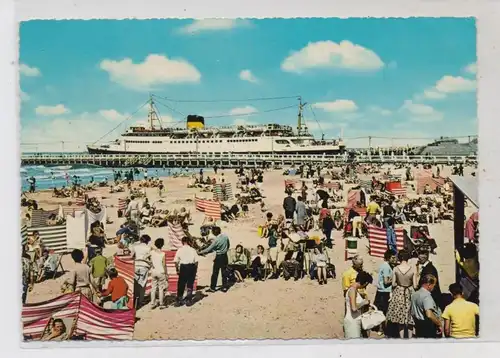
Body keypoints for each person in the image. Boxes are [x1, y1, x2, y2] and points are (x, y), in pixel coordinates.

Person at [385, 249, 419, 338]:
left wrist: (399, 284)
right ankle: (410, 339)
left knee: (400, 317)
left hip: (399, 292)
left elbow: (393, 284)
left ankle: (401, 339)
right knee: (410, 317)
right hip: (409, 292)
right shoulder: (413, 269)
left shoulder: (396, 268)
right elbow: (415, 285)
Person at [199, 226, 230, 293]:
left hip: (219, 257)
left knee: (215, 273)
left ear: (214, 233)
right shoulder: (225, 237)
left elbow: (208, 249)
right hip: (225, 256)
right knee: (224, 272)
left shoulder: (216, 240)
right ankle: (224, 287)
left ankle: (213, 288)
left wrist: (200, 252)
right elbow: (228, 245)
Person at [374, 250, 397, 336]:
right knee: (385, 311)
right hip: (385, 292)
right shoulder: (387, 267)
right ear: (388, 258)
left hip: (381, 291)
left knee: (381, 310)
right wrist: (395, 278)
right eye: (393, 258)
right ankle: (383, 329)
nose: (395, 259)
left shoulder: (384, 265)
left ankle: (381, 328)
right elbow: (386, 281)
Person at [411, 274, 442, 338]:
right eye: (434, 285)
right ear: (429, 285)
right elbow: (429, 314)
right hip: (428, 327)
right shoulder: (427, 296)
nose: (434, 287)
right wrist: (439, 324)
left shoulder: (414, 294)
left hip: (418, 326)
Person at [344, 271, 373, 339]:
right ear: (365, 283)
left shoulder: (354, 289)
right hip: (352, 323)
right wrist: (364, 303)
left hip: (354, 321)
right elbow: (354, 308)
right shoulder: (353, 290)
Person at [174, 237, 199, 306]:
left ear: (182, 242)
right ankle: (188, 300)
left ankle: (179, 300)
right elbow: (196, 261)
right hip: (191, 267)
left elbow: (176, 261)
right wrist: (195, 269)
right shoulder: (193, 250)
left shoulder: (180, 250)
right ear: (189, 242)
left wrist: (177, 269)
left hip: (183, 267)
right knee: (190, 284)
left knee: (181, 284)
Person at [131, 235, 152, 309]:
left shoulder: (135, 247)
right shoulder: (148, 248)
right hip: (144, 266)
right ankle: (140, 301)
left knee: (136, 283)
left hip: (136, 265)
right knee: (143, 284)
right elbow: (150, 258)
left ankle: (135, 299)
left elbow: (131, 256)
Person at [150, 238, 167, 309]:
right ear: (162, 245)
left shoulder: (152, 252)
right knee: (161, 288)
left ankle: (152, 303)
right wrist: (166, 273)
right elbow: (164, 264)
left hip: (153, 271)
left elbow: (150, 261)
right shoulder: (163, 254)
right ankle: (161, 303)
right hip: (161, 271)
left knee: (153, 288)